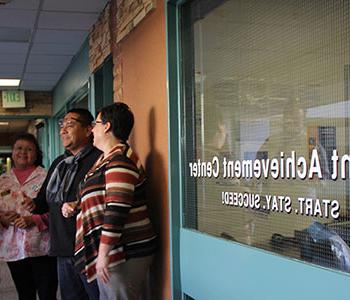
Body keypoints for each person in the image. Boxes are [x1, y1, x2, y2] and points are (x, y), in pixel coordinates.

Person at [62, 103, 157, 300]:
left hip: (124, 253)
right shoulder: (104, 160)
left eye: (96, 124)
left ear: (106, 127)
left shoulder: (120, 161)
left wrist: (103, 254)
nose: (93, 129)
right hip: (112, 251)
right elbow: (98, 196)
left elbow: (116, 210)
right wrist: (76, 205)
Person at [24, 109, 101, 300]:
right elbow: (44, 202)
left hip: (90, 249)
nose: (63, 130)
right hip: (62, 248)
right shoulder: (60, 163)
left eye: (70, 124)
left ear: (88, 130)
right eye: (61, 125)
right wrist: (31, 204)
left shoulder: (99, 159)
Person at [0, 133, 58, 300]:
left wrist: (34, 219)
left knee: (47, 293)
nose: (23, 152)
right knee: (25, 294)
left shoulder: (47, 177)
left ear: (36, 153)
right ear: (12, 152)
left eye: (29, 149)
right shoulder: (3, 180)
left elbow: (58, 210)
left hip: (43, 247)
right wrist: (3, 218)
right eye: (19, 148)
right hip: (13, 249)